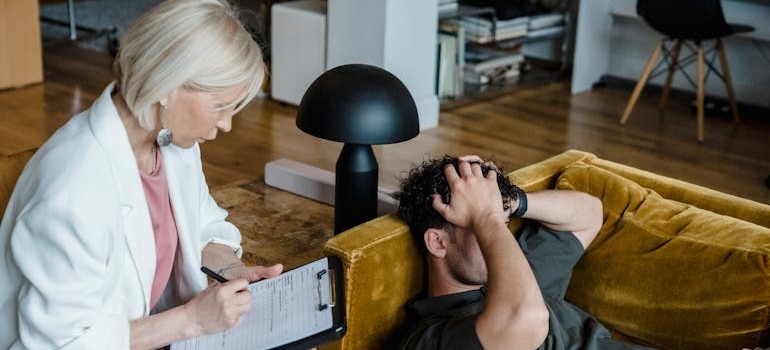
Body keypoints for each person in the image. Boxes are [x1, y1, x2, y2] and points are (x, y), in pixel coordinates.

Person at [0, 1, 284, 349]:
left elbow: (200, 226)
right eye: (221, 107)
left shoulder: (169, 141)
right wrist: (191, 320)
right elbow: (63, 343)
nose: (226, 125)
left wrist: (229, 269)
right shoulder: (73, 194)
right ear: (167, 86)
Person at [393, 155, 654, 350]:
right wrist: (487, 217)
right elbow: (526, 321)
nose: (500, 235)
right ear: (438, 243)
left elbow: (589, 215)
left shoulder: (518, 269)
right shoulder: (428, 338)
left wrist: (510, 202)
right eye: (478, 226)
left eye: (501, 223)